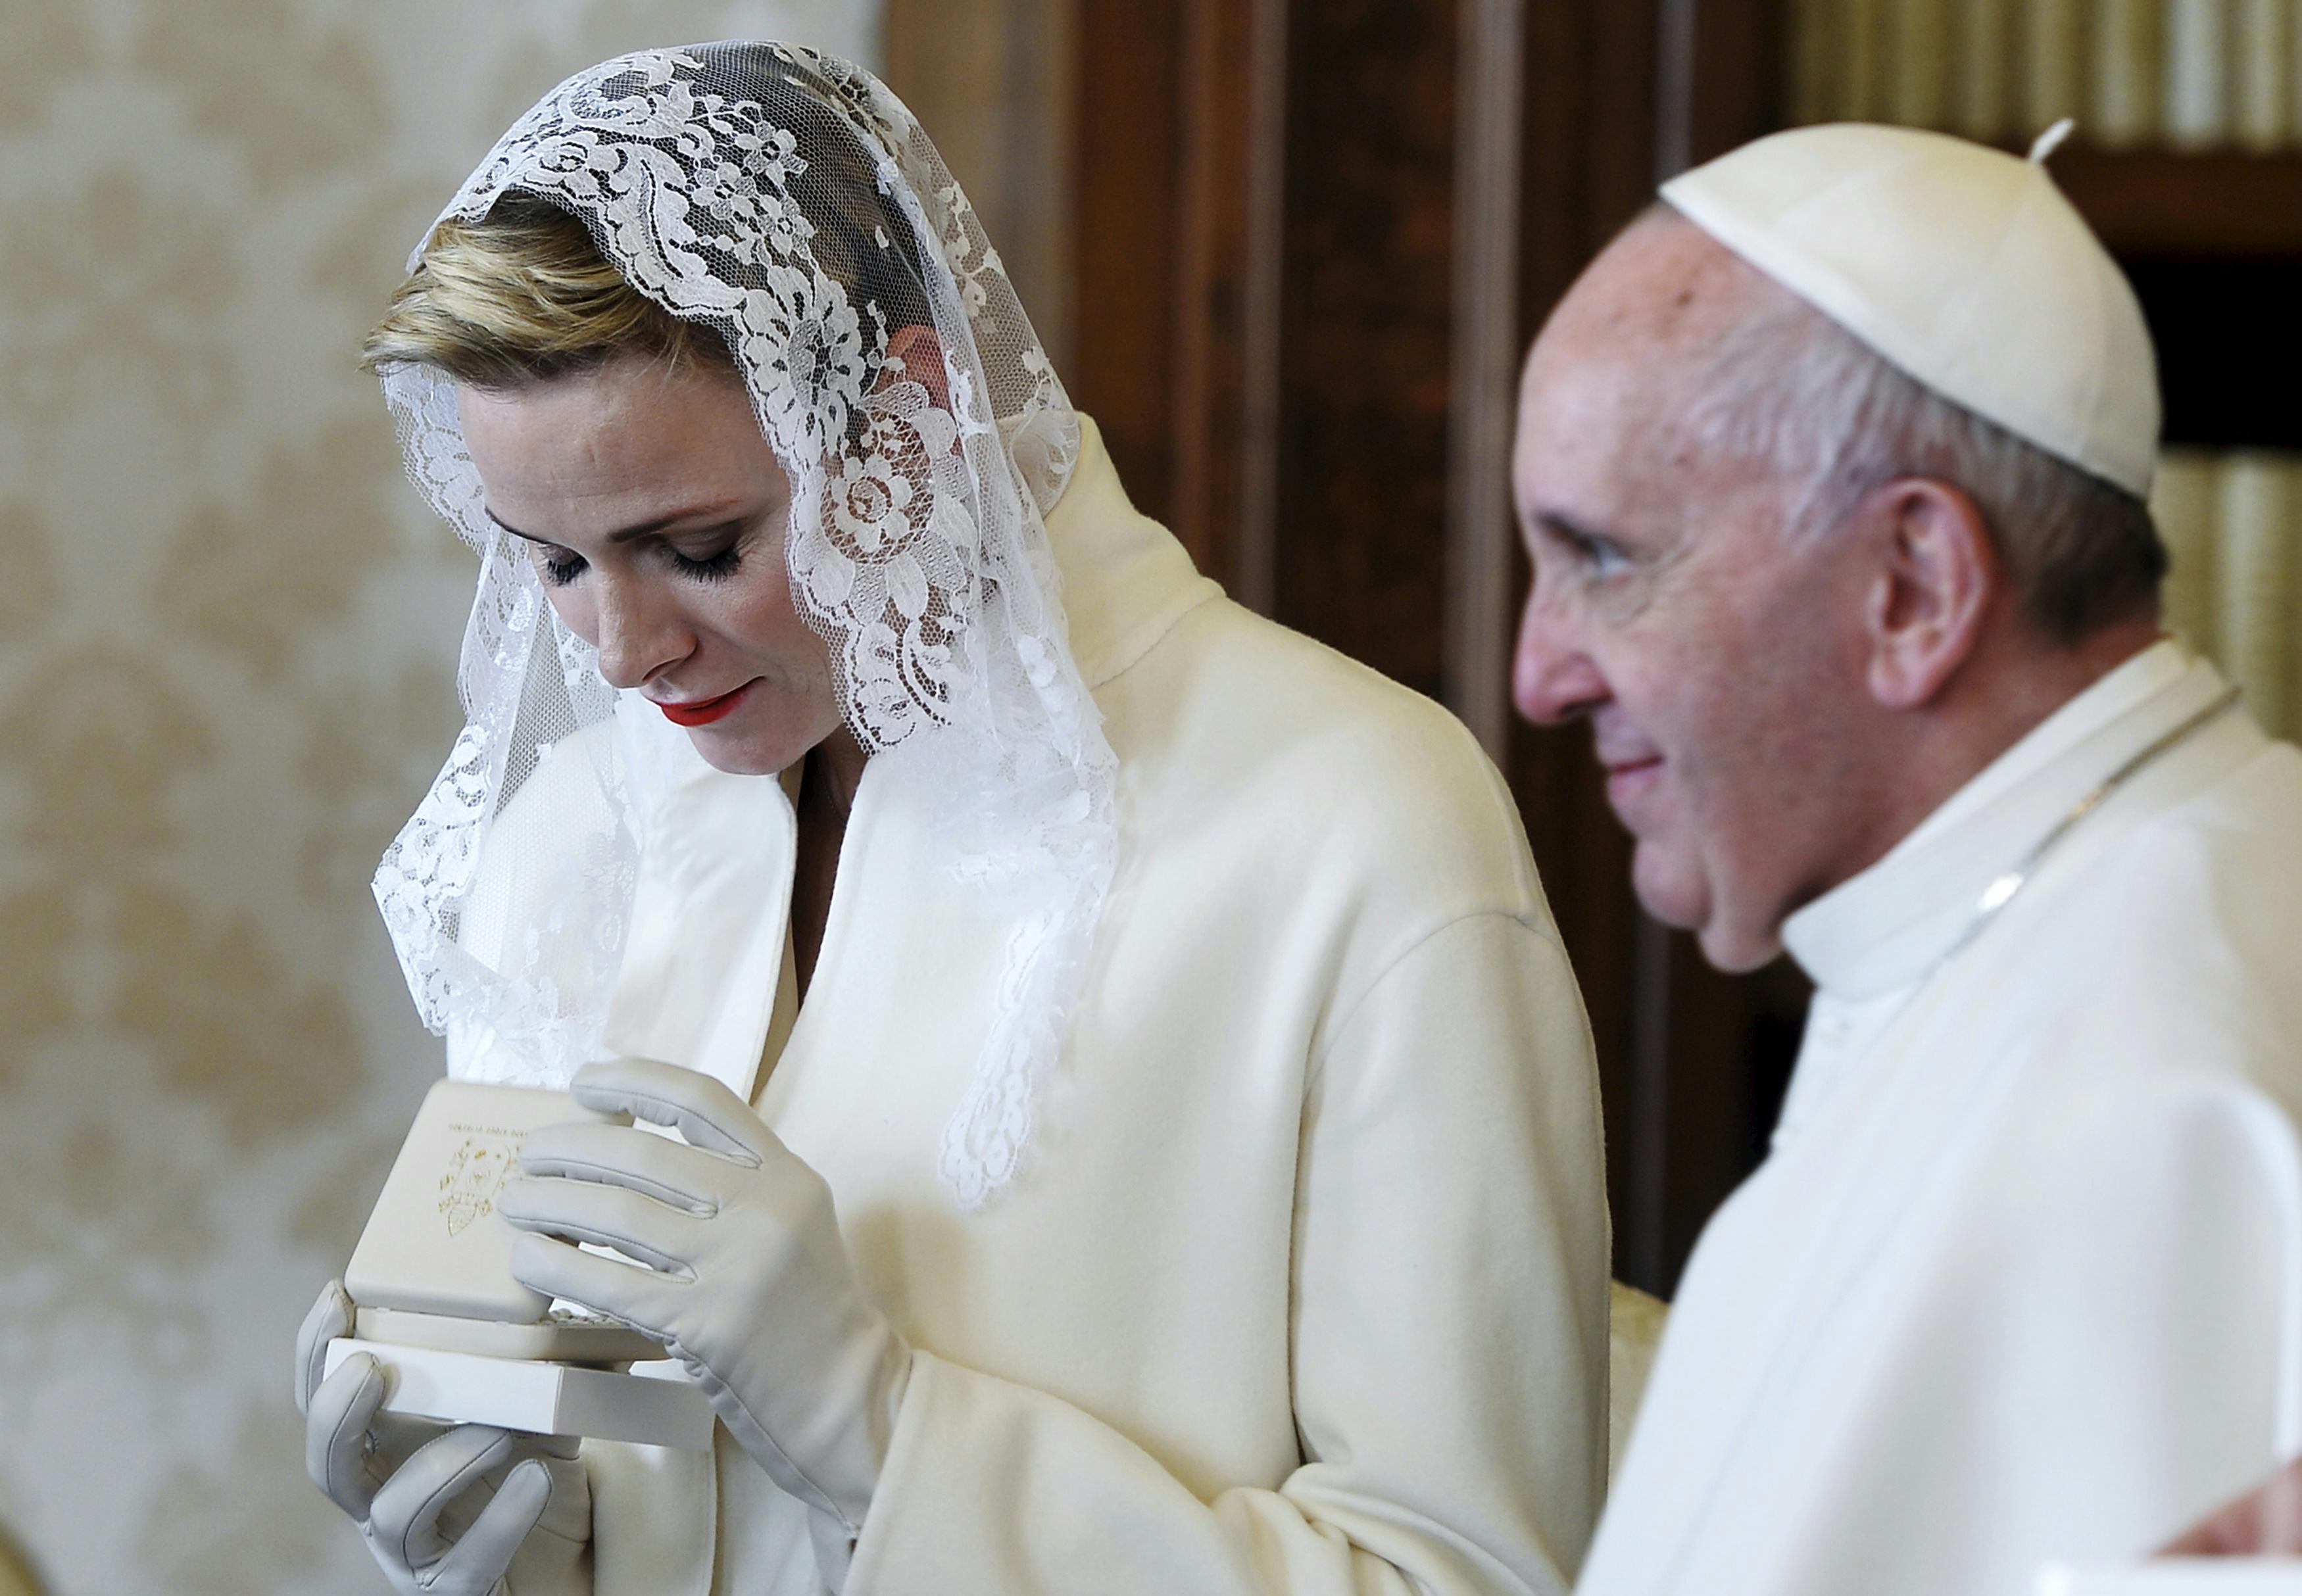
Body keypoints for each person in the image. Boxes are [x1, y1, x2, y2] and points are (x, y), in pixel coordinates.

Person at [293, 42, 1608, 1596]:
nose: (625, 650)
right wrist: (531, 1549)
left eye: (699, 545)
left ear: (907, 415)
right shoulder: (571, 850)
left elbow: (1471, 1575)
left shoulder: (1355, 824)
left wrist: (881, 1426)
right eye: (555, 562)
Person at [1509, 122, 2302, 1596]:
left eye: (1604, 559)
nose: (1538, 673)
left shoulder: (2161, 1118)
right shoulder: (2044, 929)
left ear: (1914, 585)